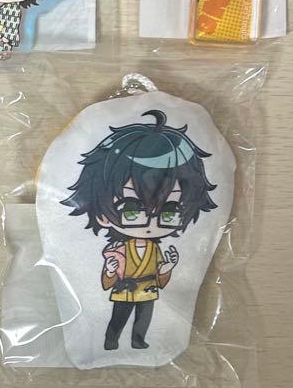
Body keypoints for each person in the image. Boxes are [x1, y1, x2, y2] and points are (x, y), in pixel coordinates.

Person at [61, 110, 218, 351]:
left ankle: (138, 341)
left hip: (148, 291)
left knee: (143, 319)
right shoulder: (118, 249)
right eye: (132, 209)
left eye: (169, 211)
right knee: (119, 318)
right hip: (124, 291)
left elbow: (159, 272)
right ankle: (111, 341)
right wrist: (110, 270)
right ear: (103, 215)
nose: (150, 221)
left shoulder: (155, 250)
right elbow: (109, 276)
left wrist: (166, 269)